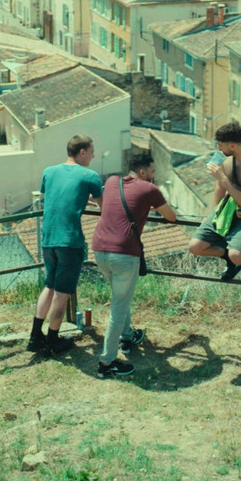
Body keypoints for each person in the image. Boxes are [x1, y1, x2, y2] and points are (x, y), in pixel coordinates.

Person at [91, 153, 178, 378]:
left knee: (121, 296)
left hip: (99, 249)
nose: (153, 176)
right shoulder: (150, 189)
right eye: (152, 172)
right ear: (142, 172)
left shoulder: (112, 181)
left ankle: (128, 335)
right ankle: (107, 362)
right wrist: (153, 201)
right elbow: (171, 216)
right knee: (118, 307)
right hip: (124, 253)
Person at [28, 135, 103, 356]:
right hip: (70, 241)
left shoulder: (49, 171)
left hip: (48, 238)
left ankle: (35, 337)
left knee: (49, 285)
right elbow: (105, 208)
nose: (93, 156)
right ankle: (52, 341)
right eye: (91, 152)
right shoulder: (90, 176)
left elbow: (58, 195)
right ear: (82, 152)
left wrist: (79, 198)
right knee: (62, 294)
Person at [188, 122, 241, 284]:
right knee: (195, 246)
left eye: (220, 144)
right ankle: (228, 258)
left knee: (237, 255)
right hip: (226, 207)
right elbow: (220, 187)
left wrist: (222, 178)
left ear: (232, 145)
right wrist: (214, 214)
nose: (218, 148)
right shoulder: (226, 157)